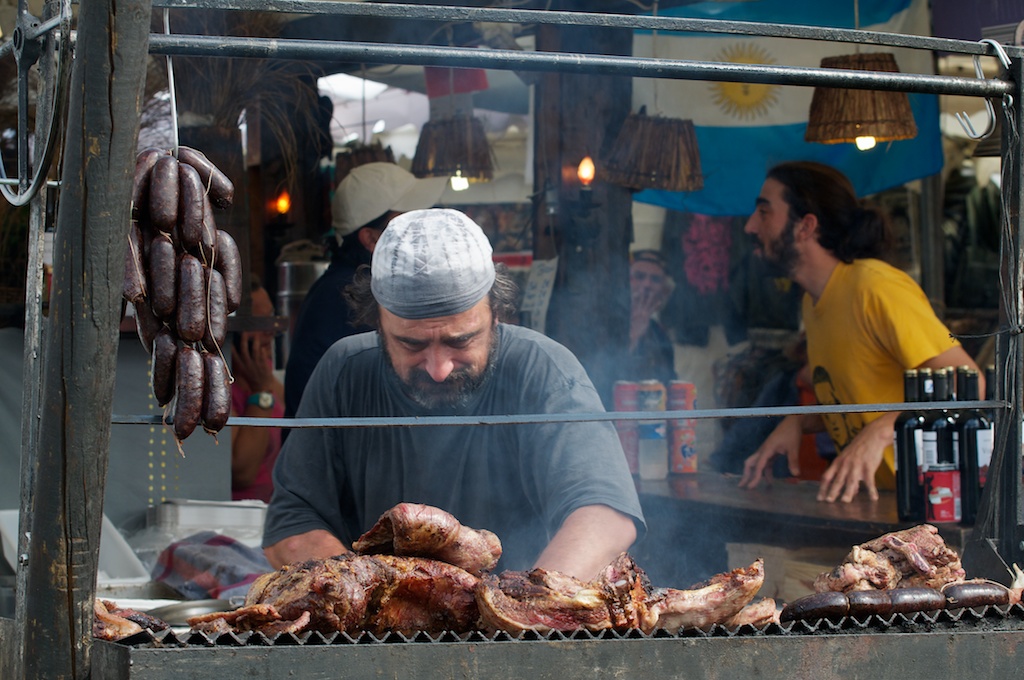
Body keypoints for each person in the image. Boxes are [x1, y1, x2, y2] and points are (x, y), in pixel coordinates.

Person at [263, 208, 644, 580]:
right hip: (373, 629)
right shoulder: (344, 370)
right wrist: (369, 600)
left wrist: (523, 610)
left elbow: (605, 517)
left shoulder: (542, 368)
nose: (438, 367)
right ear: (377, 322)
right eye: (411, 344)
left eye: (460, 340)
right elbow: (292, 524)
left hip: (518, 626)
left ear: (496, 313)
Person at [738, 161, 981, 503]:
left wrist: (882, 430)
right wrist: (800, 422)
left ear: (805, 226)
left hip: (935, 507)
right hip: (884, 507)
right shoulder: (814, 302)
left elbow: (968, 383)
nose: (750, 226)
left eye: (764, 212)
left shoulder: (875, 287)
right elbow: (857, 400)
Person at [283, 162, 447, 421]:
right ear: (371, 239)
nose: (423, 228)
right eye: (409, 221)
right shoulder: (354, 296)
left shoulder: (352, 283)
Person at [229, 281, 285, 502]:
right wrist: (260, 392)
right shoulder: (223, 387)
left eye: (271, 317)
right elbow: (242, 473)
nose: (270, 330)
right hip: (243, 513)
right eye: (259, 321)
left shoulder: (264, 371)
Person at [625, 249, 676, 387]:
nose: (647, 285)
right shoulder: (604, 321)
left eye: (655, 279)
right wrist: (633, 336)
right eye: (639, 276)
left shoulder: (660, 333)